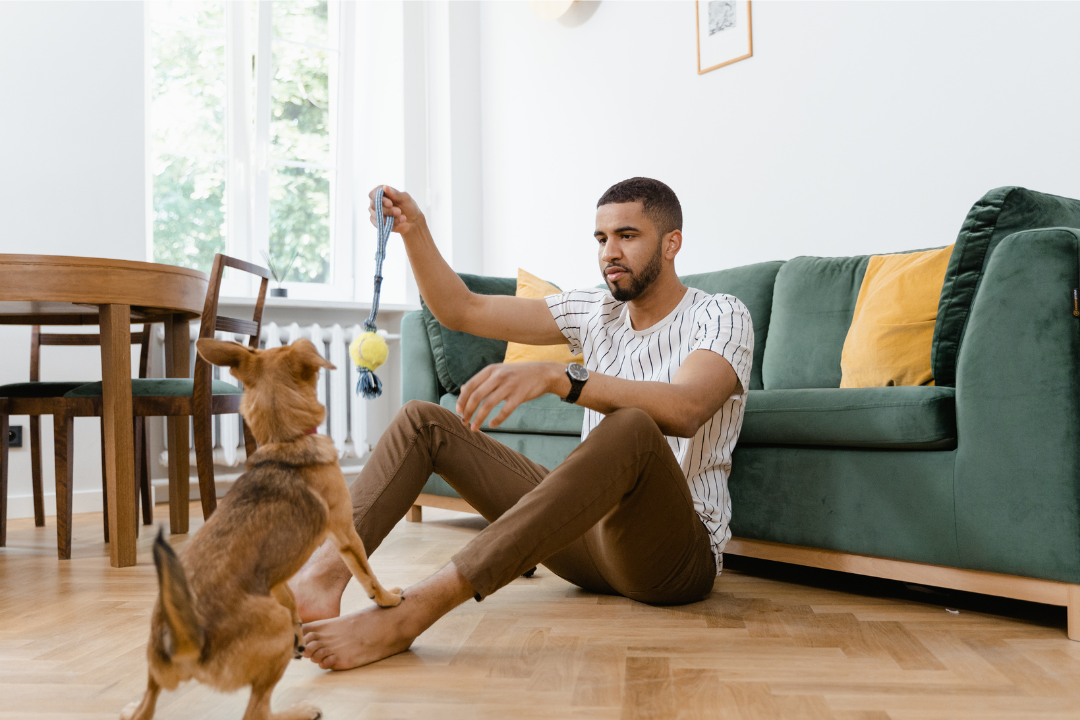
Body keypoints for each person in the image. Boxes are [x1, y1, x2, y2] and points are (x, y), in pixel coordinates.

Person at [291, 177, 754, 670]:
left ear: (671, 243)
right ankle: (320, 580)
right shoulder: (595, 311)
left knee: (632, 428)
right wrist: (415, 230)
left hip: (672, 560)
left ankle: (414, 611)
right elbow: (459, 309)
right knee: (423, 422)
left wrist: (562, 376)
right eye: (601, 239)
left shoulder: (720, 314)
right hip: (586, 549)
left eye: (627, 235)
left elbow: (685, 409)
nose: (609, 253)